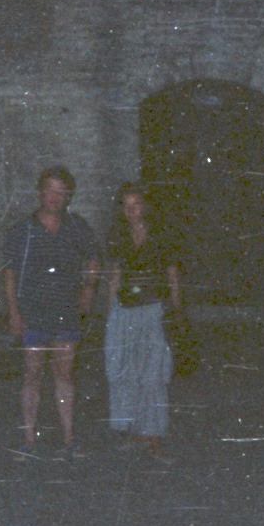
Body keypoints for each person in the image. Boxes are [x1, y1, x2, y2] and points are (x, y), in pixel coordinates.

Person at [0, 166, 100, 457]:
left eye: (61, 190)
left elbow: (94, 258)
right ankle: (29, 439)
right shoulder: (23, 230)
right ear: (40, 193)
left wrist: (89, 290)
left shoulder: (77, 226)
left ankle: (69, 439)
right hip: (33, 313)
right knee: (32, 374)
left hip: (66, 312)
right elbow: (10, 274)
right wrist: (14, 314)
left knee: (64, 374)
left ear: (68, 195)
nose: (55, 196)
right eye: (50, 189)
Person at [103, 182, 182, 463]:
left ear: (145, 206)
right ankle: (137, 431)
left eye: (136, 204)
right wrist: (110, 312)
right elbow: (115, 275)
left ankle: (155, 437)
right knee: (127, 371)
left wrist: (175, 309)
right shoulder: (119, 235)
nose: (131, 211)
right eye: (126, 205)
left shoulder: (161, 235)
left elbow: (172, 273)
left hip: (153, 310)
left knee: (153, 374)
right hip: (126, 310)